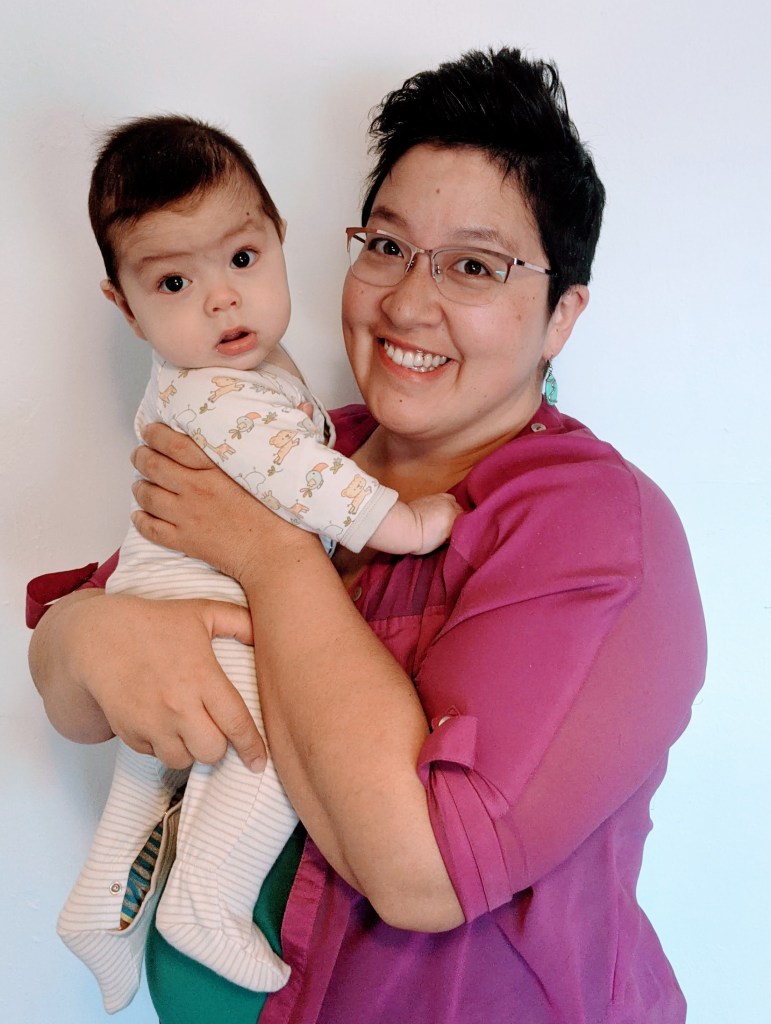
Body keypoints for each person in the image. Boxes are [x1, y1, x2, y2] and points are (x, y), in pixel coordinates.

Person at [28, 47, 707, 1024]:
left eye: (472, 265)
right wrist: (86, 635)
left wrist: (270, 556)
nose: (406, 302)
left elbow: (420, 872)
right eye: (386, 245)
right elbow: (77, 679)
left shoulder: (591, 527)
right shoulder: (300, 440)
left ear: (561, 314)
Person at [53, 114, 460, 1014]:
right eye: (173, 281)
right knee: (265, 738)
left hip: (170, 590)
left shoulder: (241, 375)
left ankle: (98, 905)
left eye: (241, 259)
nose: (221, 301)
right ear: (124, 305)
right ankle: (205, 902)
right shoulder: (219, 395)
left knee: (155, 758)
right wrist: (401, 521)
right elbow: (302, 476)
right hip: (205, 602)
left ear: (278, 238)